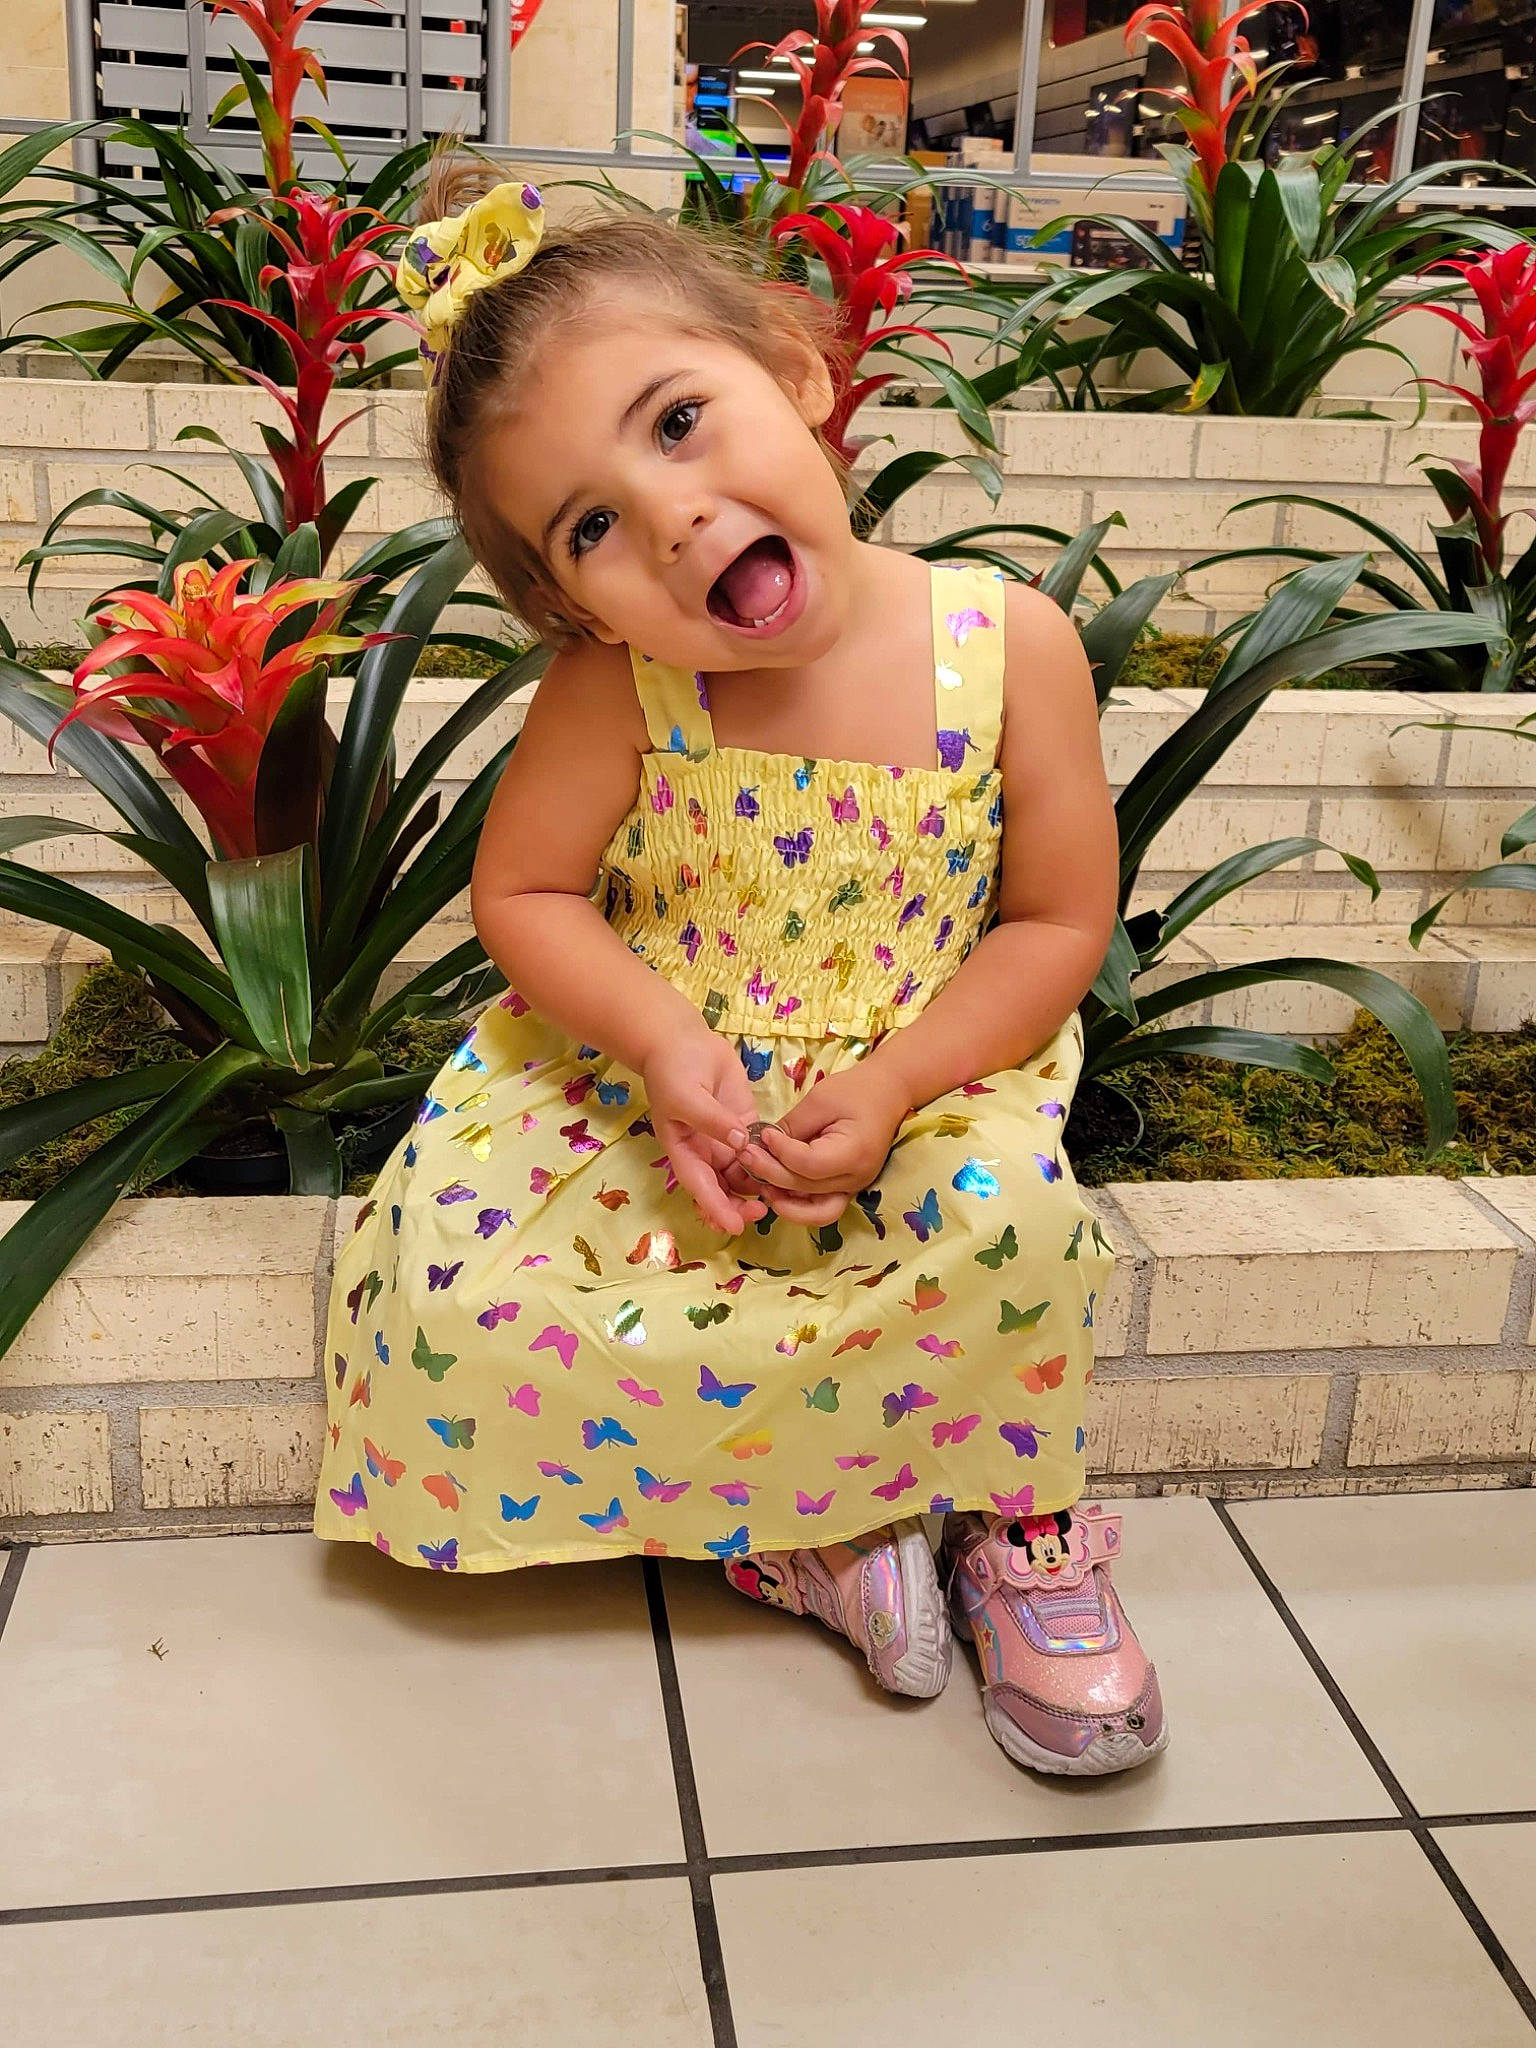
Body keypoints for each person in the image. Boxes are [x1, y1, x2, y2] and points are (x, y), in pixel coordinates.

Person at [313, 169, 1167, 1779]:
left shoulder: (1006, 644)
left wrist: (901, 1081)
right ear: (568, 598)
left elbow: (1057, 927)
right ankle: (813, 1537)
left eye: (681, 422)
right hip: (663, 1073)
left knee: (1022, 1234)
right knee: (452, 1284)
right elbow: (528, 888)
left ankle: (1016, 1528)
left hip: (920, 1073)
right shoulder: (619, 688)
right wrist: (652, 1041)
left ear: (796, 367)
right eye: (592, 526)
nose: (671, 516)